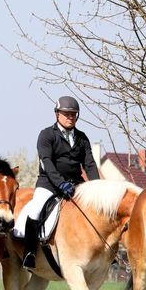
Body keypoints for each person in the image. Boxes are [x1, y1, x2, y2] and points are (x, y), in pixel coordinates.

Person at [21, 96, 101, 269]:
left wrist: (97, 187)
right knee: (35, 209)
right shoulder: (46, 135)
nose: (70, 117)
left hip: (75, 184)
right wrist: (60, 183)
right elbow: (46, 162)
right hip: (49, 183)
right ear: (57, 114)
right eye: (66, 114)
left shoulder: (82, 138)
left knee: (96, 209)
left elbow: (89, 164)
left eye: (73, 114)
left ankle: (101, 250)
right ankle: (30, 253)